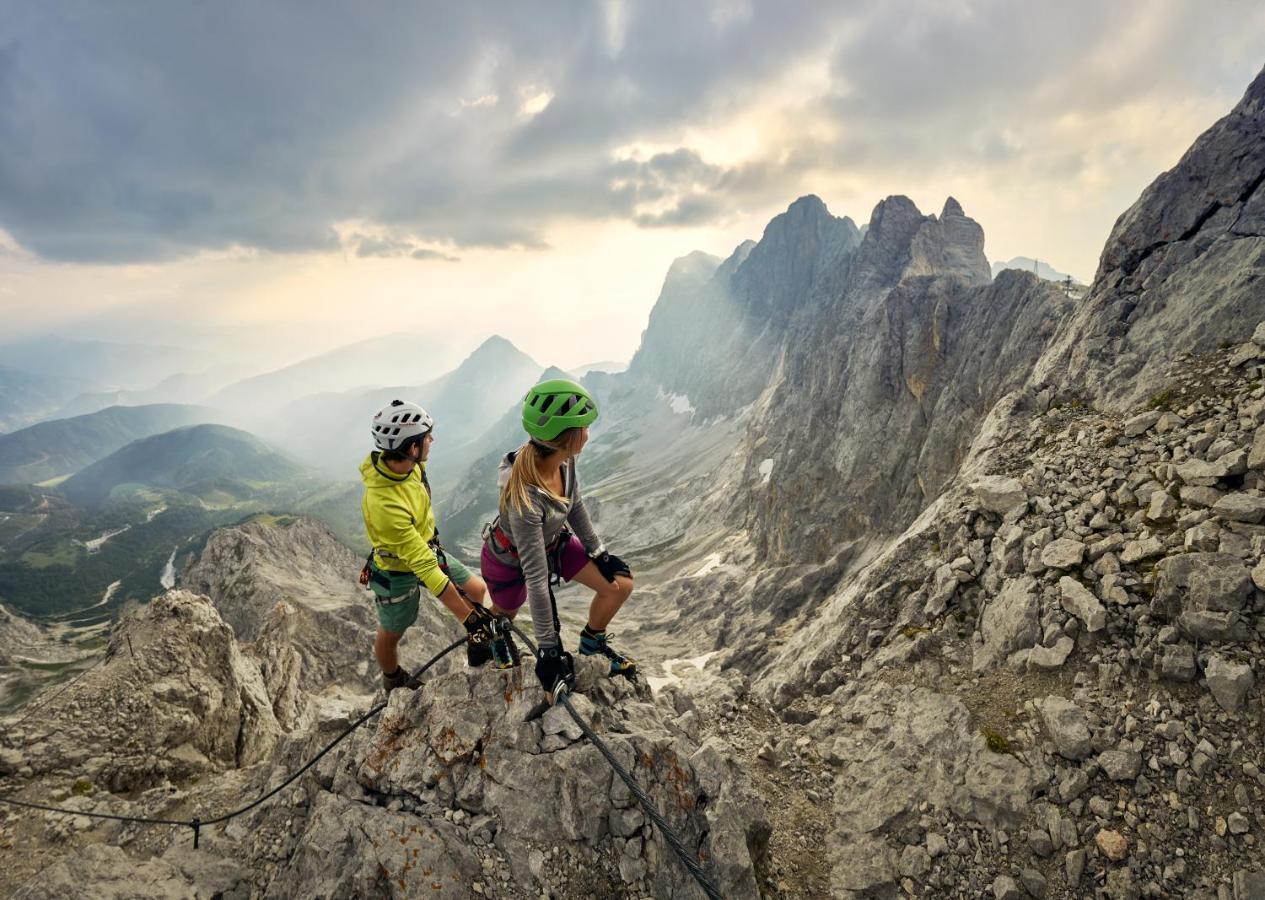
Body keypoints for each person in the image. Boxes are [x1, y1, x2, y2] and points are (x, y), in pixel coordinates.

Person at [479, 379, 635, 700]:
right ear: (567, 437)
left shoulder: (565, 461)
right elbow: (537, 581)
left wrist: (599, 552)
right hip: (507, 560)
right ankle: (493, 631)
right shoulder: (524, 498)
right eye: (584, 427)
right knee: (508, 610)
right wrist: (549, 652)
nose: (588, 433)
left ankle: (592, 644)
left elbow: (573, 505)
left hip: (553, 545)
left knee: (619, 585)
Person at [360, 399, 499, 693]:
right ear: (412, 448)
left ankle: (478, 651)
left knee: (477, 590)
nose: (432, 440)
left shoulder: (411, 467)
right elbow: (423, 566)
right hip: (396, 570)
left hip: (428, 548)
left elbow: (425, 555)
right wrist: (469, 619)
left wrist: (471, 618)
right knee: (393, 630)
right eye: (426, 437)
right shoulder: (384, 504)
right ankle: (392, 677)